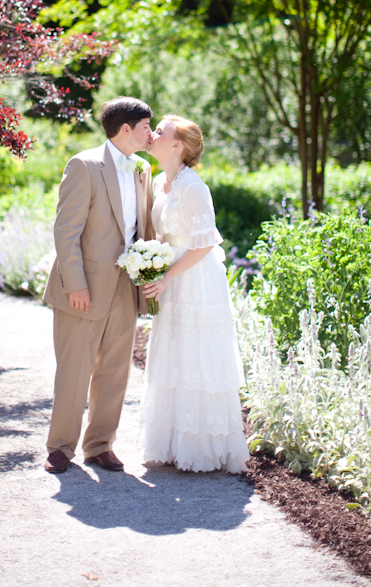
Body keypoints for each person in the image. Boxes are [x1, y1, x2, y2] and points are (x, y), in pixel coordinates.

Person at [43, 96, 155, 473]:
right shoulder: (84, 165)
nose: (150, 134)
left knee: (115, 371)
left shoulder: (142, 169)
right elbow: (66, 231)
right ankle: (60, 447)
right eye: (145, 127)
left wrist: (149, 276)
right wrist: (75, 283)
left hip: (125, 287)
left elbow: (142, 229)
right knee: (74, 371)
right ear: (126, 129)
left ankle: (100, 445)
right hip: (84, 288)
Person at [139, 115, 250, 473]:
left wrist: (168, 276)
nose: (151, 134)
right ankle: (172, 442)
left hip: (196, 279)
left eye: (159, 131)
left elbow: (204, 242)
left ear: (177, 145)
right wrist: (148, 262)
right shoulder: (160, 182)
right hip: (170, 277)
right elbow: (162, 234)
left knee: (197, 353)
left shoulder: (193, 186)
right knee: (174, 352)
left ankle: (203, 446)